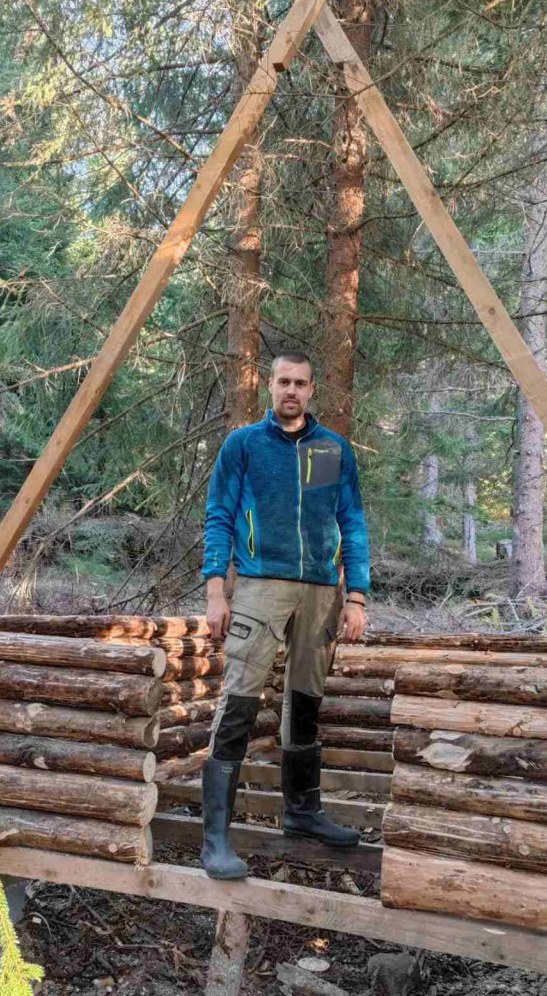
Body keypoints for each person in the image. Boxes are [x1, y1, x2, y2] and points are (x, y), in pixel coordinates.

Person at [199, 351, 371, 879]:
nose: (290, 390)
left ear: (312, 389)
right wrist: (215, 591)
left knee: (305, 702)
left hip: (320, 592)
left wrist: (357, 595)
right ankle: (216, 840)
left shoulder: (330, 450)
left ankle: (302, 813)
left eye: (299, 382)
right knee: (240, 701)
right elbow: (220, 514)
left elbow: (351, 520)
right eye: (282, 382)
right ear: (269, 386)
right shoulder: (245, 445)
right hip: (259, 585)